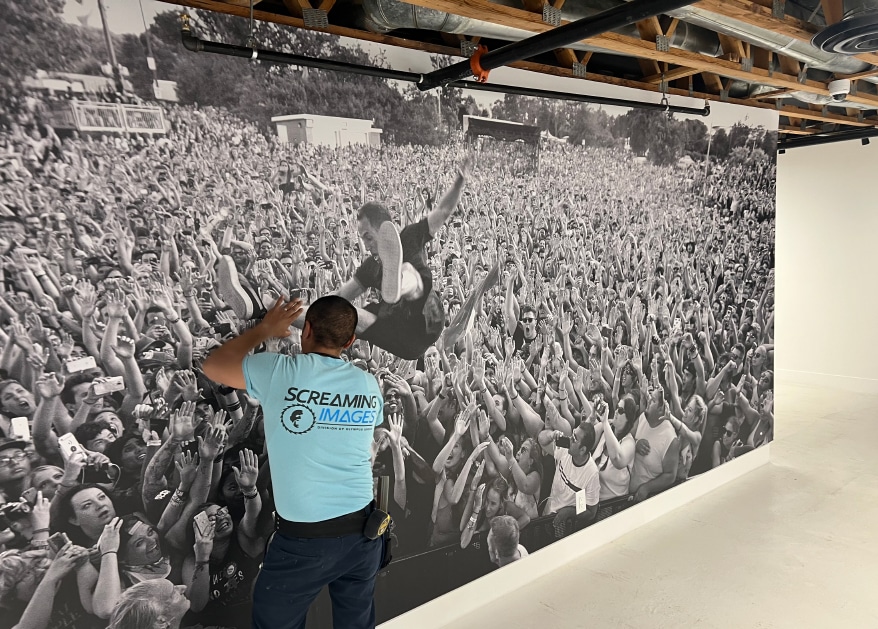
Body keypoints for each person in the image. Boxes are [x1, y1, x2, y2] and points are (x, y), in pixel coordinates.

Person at [201, 295, 385, 629]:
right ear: (350, 342)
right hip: (363, 534)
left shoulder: (279, 370)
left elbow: (213, 366)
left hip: (305, 541)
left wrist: (265, 329)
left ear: (306, 330)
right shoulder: (368, 384)